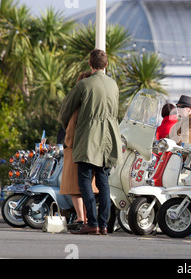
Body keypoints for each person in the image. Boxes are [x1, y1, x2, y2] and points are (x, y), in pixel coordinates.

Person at [60, 49, 122, 235]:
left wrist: (68, 128)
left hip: (88, 138)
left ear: (90, 64)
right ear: (106, 65)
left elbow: (66, 110)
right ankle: (103, 225)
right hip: (110, 138)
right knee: (103, 181)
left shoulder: (84, 85)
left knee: (84, 180)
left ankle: (92, 222)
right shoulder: (113, 85)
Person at [60, 71, 99, 231]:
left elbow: (69, 129)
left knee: (74, 187)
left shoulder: (76, 107)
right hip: (93, 149)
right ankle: (87, 218)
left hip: (75, 148)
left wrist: (67, 144)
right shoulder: (94, 107)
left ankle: (81, 218)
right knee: (87, 187)